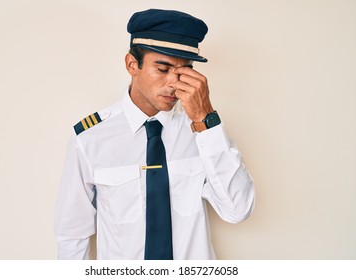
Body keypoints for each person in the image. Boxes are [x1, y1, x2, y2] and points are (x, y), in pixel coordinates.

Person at [54, 8, 255, 260]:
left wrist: (205, 119)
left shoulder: (204, 131)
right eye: (162, 69)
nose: (174, 83)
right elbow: (73, 235)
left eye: (184, 71)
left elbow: (238, 210)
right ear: (131, 64)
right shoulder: (90, 139)